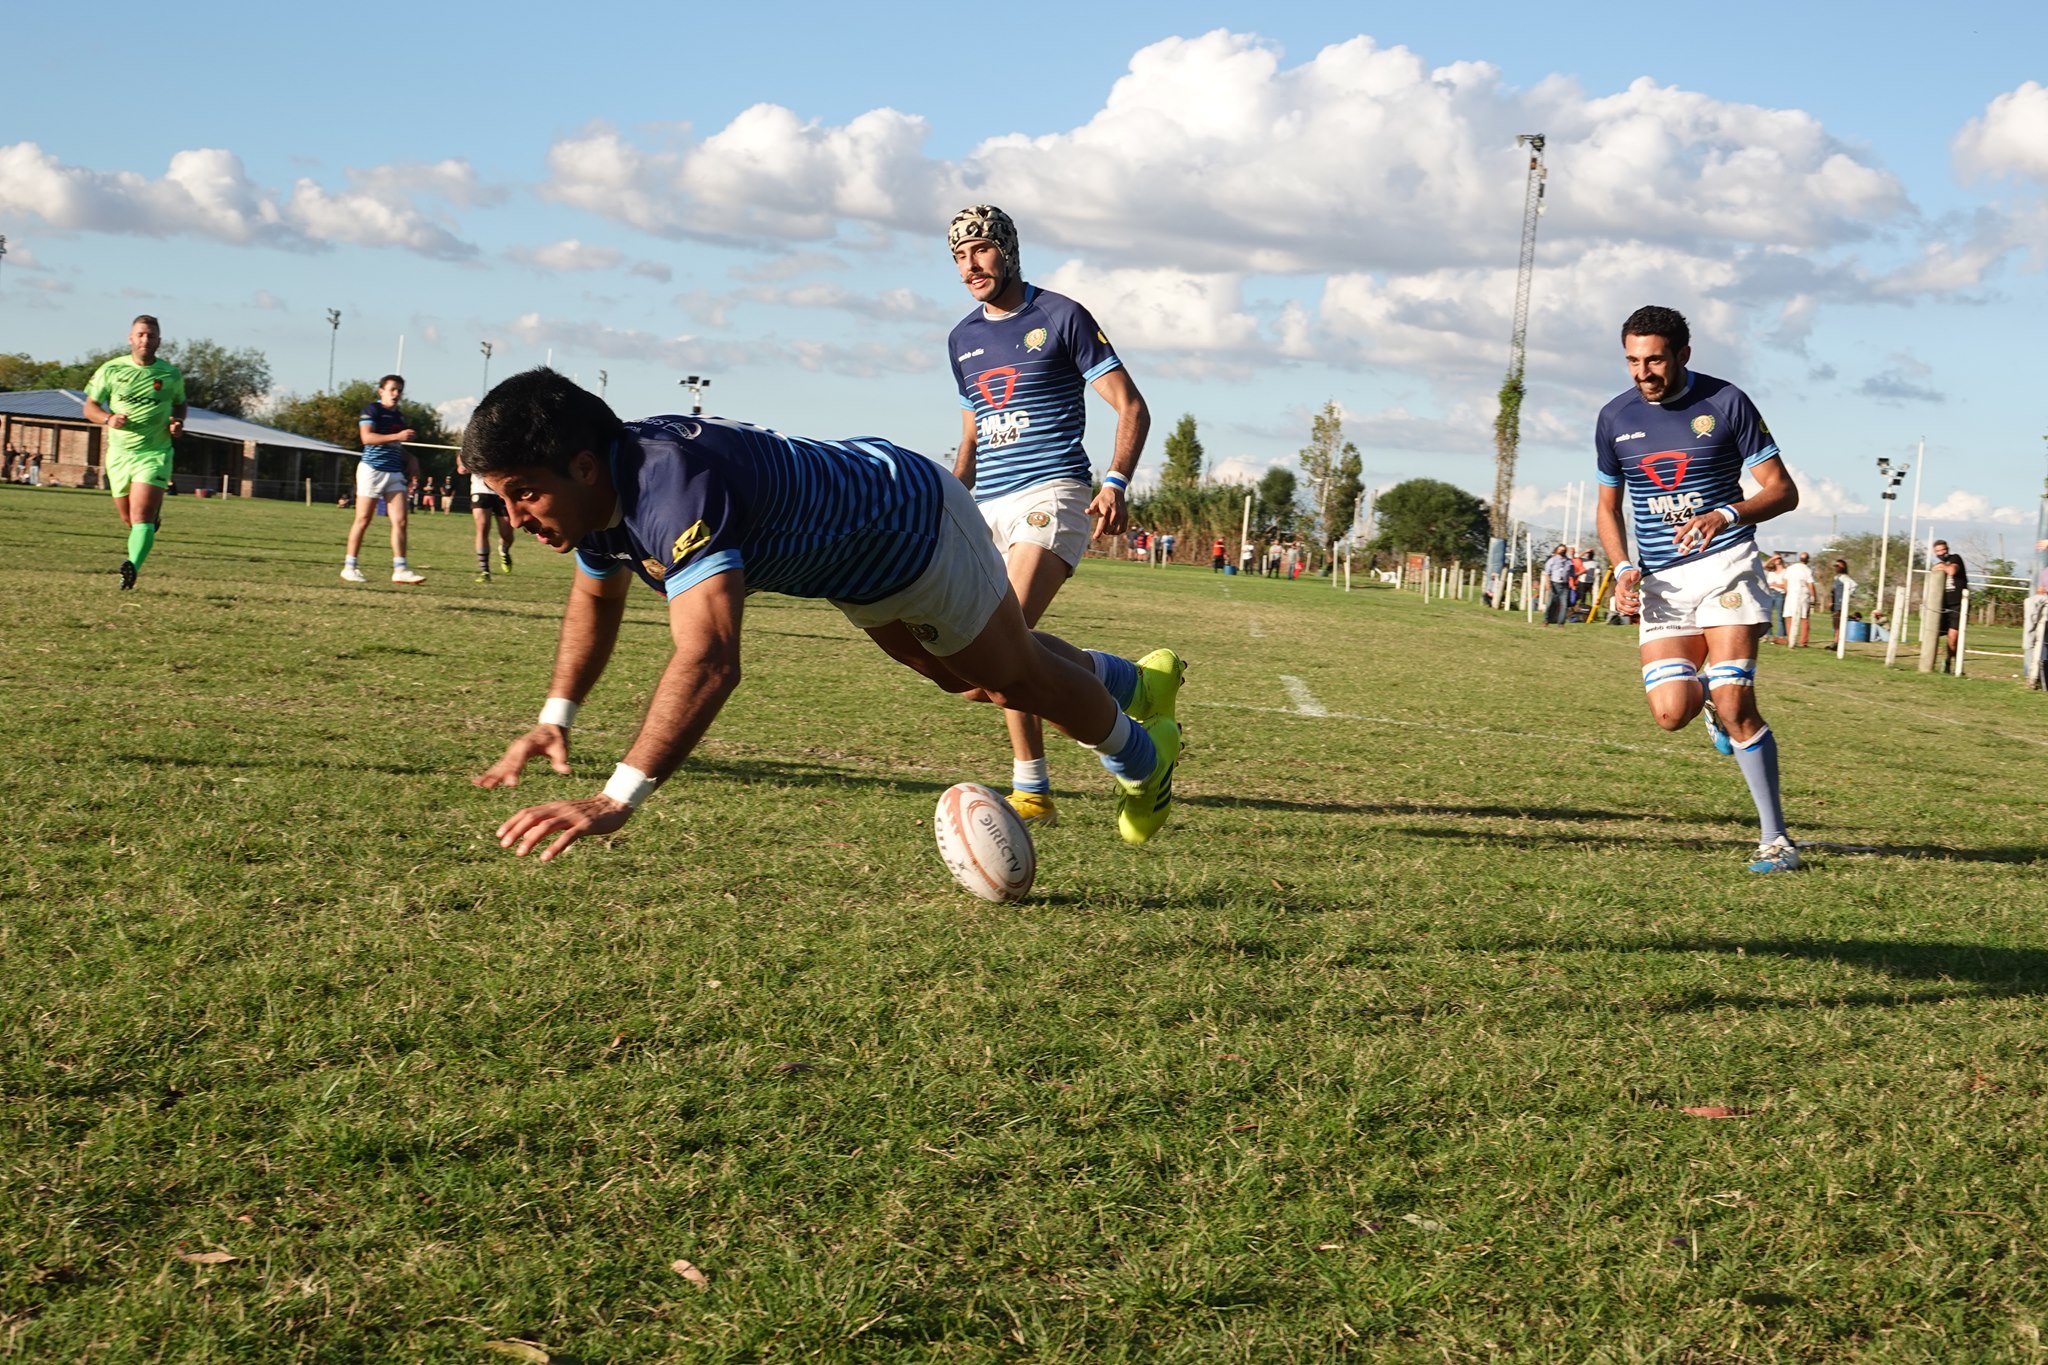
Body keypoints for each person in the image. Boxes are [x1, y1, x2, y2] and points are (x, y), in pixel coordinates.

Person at [463, 368, 1184, 859]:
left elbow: (710, 658)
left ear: (584, 466)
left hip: (914, 523)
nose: (515, 515)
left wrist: (617, 796)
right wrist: (558, 715)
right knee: (968, 681)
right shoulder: (600, 506)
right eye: (502, 497)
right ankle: (1134, 683)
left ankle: (1143, 757)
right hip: (856, 569)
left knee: (1013, 681)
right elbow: (596, 597)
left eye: (523, 492)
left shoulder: (672, 487)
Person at [946, 204, 1152, 830]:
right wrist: (948, 499)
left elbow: (1132, 407)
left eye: (979, 249)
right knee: (989, 663)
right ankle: (1120, 687)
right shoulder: (961, 339)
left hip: (1052, 494)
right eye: (958, 255)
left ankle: (1130, 754)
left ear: (1007, 249)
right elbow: (973, 436)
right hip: (989, 510)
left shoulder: (1061, 315)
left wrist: (1115, 481)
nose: (969, 265)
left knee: (998, 647)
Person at [1596, 305, 1803, 873]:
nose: (1644, 372)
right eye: (1633, 360)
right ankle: (1706, 698)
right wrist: (1621, 569)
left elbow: (1783, 492)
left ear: (1683, 354)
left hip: (1726, 565)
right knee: (1670, 713)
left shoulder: (1726, 403)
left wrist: (1727, 515)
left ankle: (1776, 840)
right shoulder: (1614, 419)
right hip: (1663, 581)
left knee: (1737, 698)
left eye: (1655, 359)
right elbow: (1608, 508)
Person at [82, 315, 187, 590]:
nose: (145, 340)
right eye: (140, 334)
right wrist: (107, 419)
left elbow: (180, 404)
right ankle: (148, 528)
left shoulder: (170, 374)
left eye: (151, 335)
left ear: (159, 342)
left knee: (141, 516)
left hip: (154, 452)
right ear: (130, 338)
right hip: (118, 455)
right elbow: (89, 406)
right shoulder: (111, 370)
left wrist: (177, 423)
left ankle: (131, 569)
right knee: (129, 519)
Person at [341, 374, 425, 585]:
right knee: (363, 519)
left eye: (399, 390)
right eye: (392, 389)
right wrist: (398, 437)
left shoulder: (399, 417)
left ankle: (401, 569)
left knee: (401, 521)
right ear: (381, 391)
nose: (396, 394)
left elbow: (394, 446)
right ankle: (349, 567)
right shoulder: (372, 411)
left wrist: (411, 459)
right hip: (372, 470)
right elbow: (367, 438)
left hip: (394, 472)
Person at [458, 456, 516, 583]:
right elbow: (462, 453)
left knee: (507, 534)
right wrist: (462, 465)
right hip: (480, 490)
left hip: (502, 490)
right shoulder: (476, 437)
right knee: (482, 527)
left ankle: (504, 551)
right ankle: (485, 571)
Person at [1931, 539, 1968, 671]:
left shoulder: (1955, 558)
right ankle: (1930, 663)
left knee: (1953, 638)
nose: (1941, 553)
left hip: (1957, 605)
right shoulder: (1938, 565)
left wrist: (1943, 567)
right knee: (1932, 634)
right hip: (1941, 605)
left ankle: (1949, 662)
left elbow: (1952, 570)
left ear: (1947, 549)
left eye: (1943, 549)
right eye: (1938, 551)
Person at [1784, 550, 1817, 647]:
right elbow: (1810, 584)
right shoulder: (1807, 570)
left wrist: (1787, 592)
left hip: (1791, 594)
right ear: (1808, 560)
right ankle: (1803, 641)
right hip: (1803, 594)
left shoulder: (1790, 568)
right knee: (1804, 618)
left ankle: (1791, 638)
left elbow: (1785, 581)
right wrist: (1813, 597)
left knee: (1789, 616)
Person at [1829, 557, 1858, 647]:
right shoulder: (1837, 578)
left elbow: (1854, 585)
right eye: (1835, 565)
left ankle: (1837, 642)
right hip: (1835, 603)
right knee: (1835, 624)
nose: (1836, 567)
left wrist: (1846, 595)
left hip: (1840, 604)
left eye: (1838, 565)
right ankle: (1835, 641)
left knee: (1838, 623)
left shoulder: (1844, 578)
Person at [1763, 554, 1789, 645]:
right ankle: (1767, 635)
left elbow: (1785, 585)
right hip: (1770, 593)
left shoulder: (1785, 571)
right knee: (1767, 615)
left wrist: (1775, 585)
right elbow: (1764, 566)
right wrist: (1772, 558)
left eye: (1778, 558)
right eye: (1775, 559)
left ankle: (1779, 636)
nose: (1777, 560)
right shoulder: (1771, 571)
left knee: (1779, 616)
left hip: (1779, 594)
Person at [1542, 544, 1571, 624]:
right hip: (1554, 584)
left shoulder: (1568, 562)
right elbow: (1547, 573)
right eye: (1560, 549)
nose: (1562, 551)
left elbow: (1572, 573)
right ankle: (1546, 620)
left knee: (1564, 605)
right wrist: (1547, 584)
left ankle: (1561, 623)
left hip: (1564, 585)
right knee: (1550, 604)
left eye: (1563, 549)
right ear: (1556, 550)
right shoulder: (1552, 560)